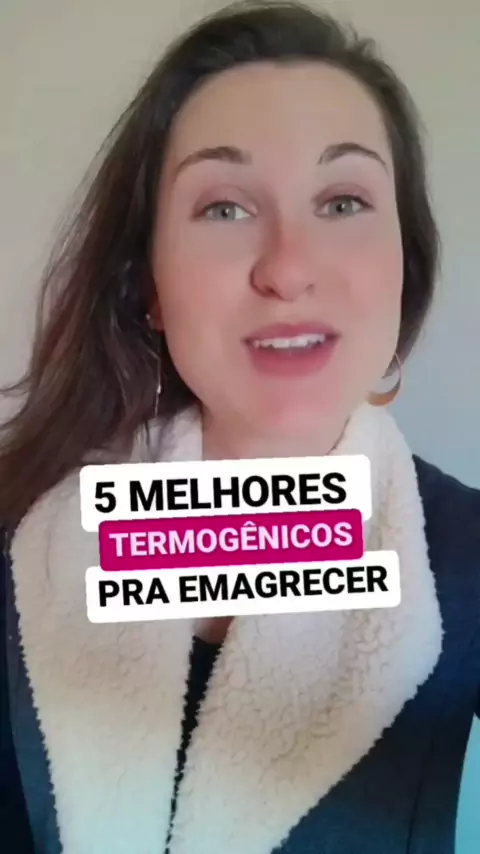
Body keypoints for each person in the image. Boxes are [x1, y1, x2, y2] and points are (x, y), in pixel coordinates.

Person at [0, 1, 479, 852]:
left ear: (405, 265)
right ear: (146, 284)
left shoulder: (469, 560)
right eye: (224, 208)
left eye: (343, 201)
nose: (289, 268)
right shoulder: (21, 540)